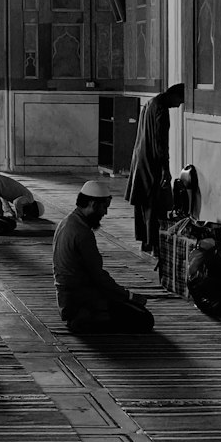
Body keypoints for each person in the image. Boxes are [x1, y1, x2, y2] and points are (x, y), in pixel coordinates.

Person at [52, 180, 155, 333]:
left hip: (67, 298)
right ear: (93, 204)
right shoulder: (82, 233)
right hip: (79, 299)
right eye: (104, 207)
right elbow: (98, 277)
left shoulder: (66, 222)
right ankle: (84, 318)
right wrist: (129, 296)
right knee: (144, 319)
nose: (105, 213)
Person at [125, 83, 186, 254]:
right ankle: (155, 245)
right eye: (180, 100)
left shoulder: (150, 103)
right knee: (155, 204)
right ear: (174, 95)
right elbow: (161, 143)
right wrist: (165, 169)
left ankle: (145, 241)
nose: (179, 105)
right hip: (153, 163)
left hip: (141, 158)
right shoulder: (161, 109)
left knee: (144, 202)